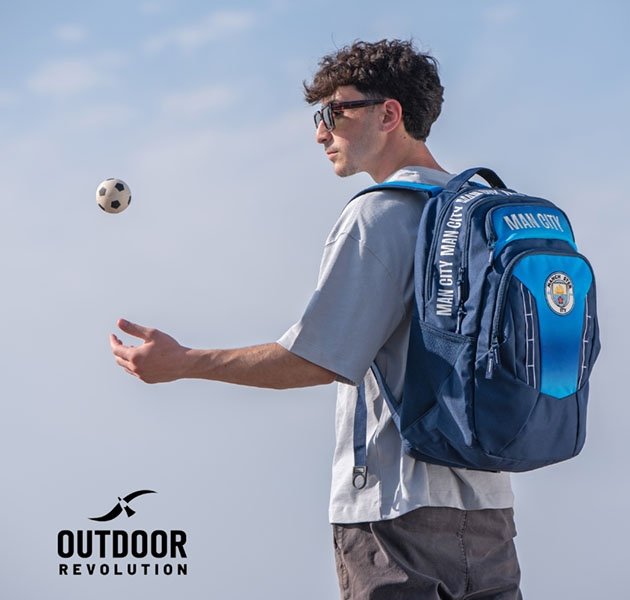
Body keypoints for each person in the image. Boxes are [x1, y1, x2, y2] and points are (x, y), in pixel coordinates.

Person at [110, 39, 522, 600]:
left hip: (395, 512)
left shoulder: (380, 215)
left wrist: (183, 362)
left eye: (334, 112)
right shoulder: (481, 213)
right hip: (490, 512)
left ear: (389, 114)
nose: (320, 133)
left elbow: (315, 359)